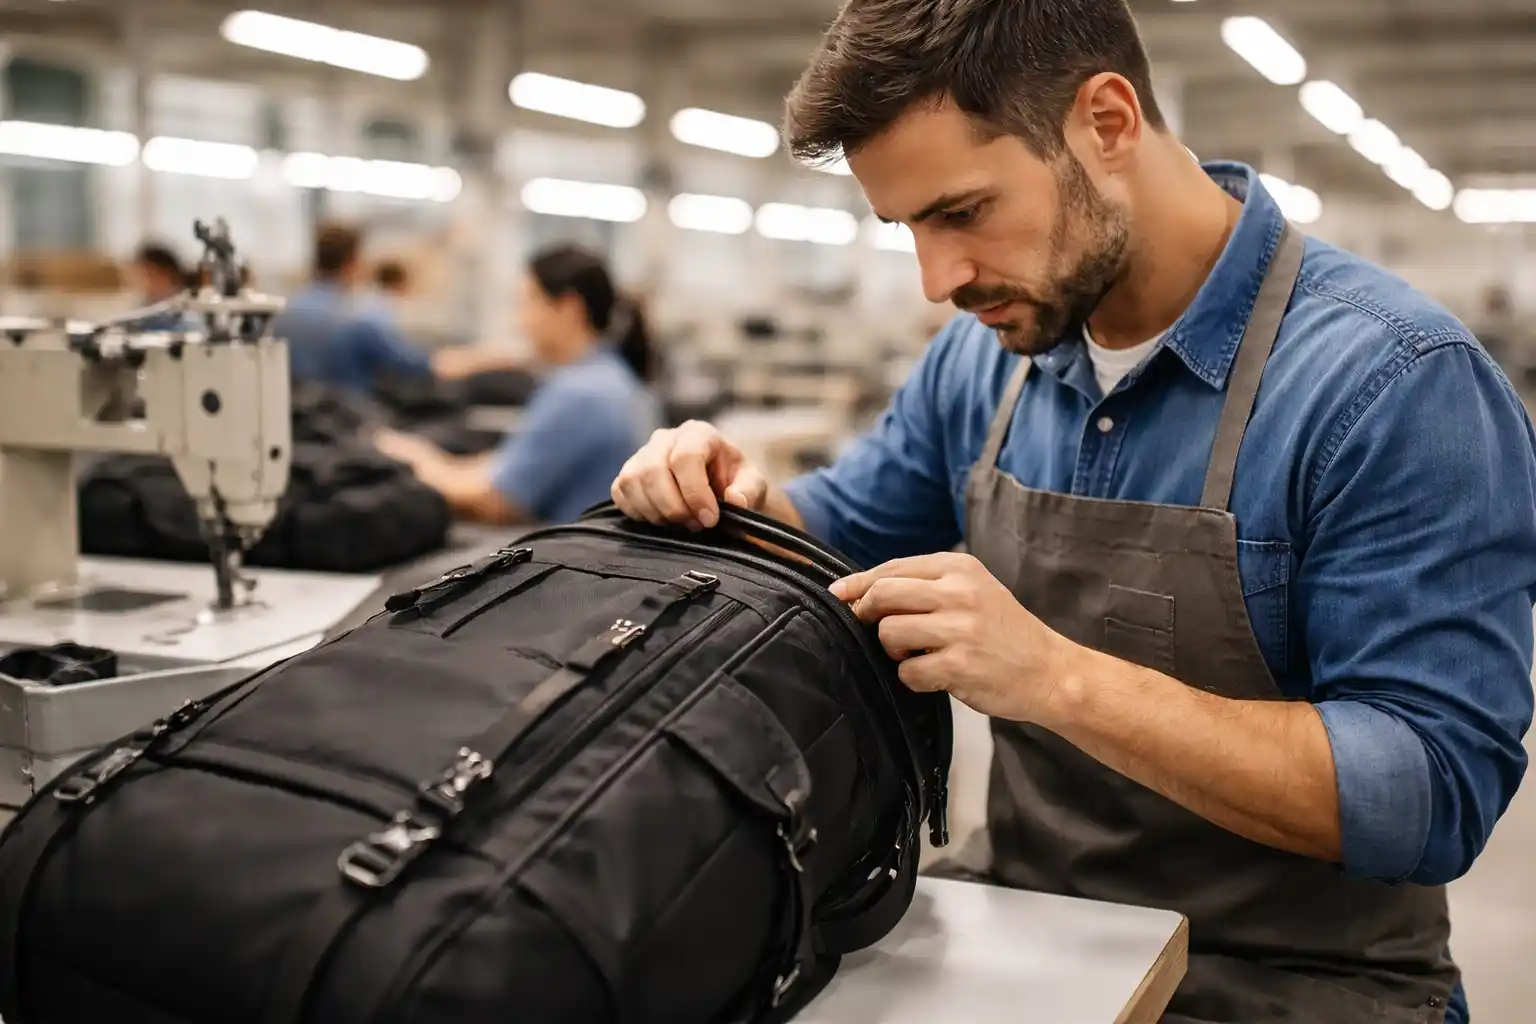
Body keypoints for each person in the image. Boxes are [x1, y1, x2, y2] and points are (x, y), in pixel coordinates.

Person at [610, 3, 1536, 1023]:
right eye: (909, 228)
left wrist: (1057, 678)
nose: (936, 280)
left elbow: (1433, 789)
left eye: (961, 212)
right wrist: (720, 488)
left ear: (1106, 121)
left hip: (1297, 985)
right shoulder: (984, 360)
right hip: (1024, 933)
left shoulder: (1393, 385)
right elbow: (837, 530)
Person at [376, 244, 658, 524]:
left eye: (527, 301)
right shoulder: (611, 377)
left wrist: (415, 460)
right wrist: (442, 463)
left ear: (569, 308)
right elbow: (508, 467)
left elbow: (497, 501)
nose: (519, 321)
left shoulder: (579, 393)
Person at [272, 224, 438, 394]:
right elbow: (412, 364)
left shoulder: (284, 312)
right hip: (347, 414)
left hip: (294, 414)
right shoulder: (357, 319)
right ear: (351, 264)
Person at [126, 243, 192, 331]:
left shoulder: (187, 312)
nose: (139, 280)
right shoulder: (142, 311)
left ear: (164, 274)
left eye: (145, 274)